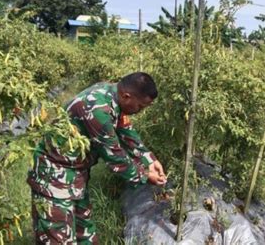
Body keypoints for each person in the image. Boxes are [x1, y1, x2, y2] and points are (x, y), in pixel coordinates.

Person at [27, 72, 167, 244]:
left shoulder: (112, 95)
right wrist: (145, 175)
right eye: (140, 106)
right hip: (53, 178)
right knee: (57, 238)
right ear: (127, 96)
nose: (140, 111)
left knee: (85, 235)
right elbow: (115, 157)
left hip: (75, 175)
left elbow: (125, 129)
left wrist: (149, 159)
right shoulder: (98, 109)